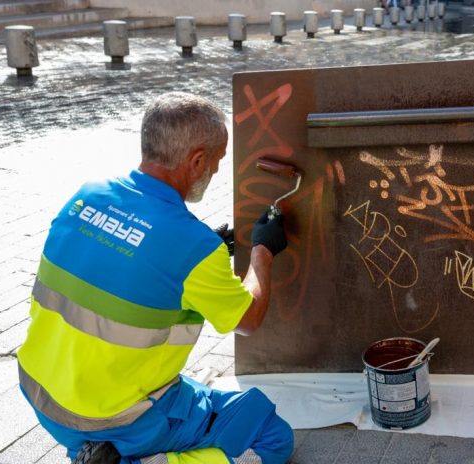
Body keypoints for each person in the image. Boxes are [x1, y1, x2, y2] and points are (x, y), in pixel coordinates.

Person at [17, 92, 294, 464]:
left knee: (189, 390)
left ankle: (92, 452)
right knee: (272, 437)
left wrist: (200, 247)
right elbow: (248, 320)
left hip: (42, 393)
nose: (213, 172)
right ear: (197, 160)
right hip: (116, 417)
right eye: (215, 162)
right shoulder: (192, 247)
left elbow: (125, 255)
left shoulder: (87, 195)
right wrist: (262, 251)